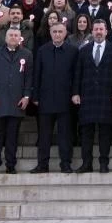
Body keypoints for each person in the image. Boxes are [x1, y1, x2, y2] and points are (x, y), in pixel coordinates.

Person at [73, 19, 112, 173]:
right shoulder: (84, 50)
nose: (99, 32)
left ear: (106, 31)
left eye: (101, 29)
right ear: (92, 31)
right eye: (96, 29)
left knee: (105, 132)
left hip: (106, 97)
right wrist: (76, 93)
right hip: (87, 96)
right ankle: (86, 163)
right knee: (86, 133)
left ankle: (103, 163)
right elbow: (78, 74)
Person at [31, 22, 78, 174]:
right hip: (45, 99)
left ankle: (65, 164)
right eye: (54, 31)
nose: (57, 34)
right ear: (50, 33)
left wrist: (75, 93)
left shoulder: (73, 51)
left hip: (65, 100)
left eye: (60, 32)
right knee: (44, 136)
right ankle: (42, 164)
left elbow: (76, 75)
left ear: (65, 34)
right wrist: (35, 96)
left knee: (65, 135)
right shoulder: (42, 50)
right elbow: (37, 74)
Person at [0, 26, 33, 174]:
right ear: (5, 38)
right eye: (10, 35)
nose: (13, 37)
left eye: (16, 35)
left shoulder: (27, 54)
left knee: (12, 137)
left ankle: (10, 165)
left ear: (20, 38)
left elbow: (28, 78)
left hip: (16, 101)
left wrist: (26, 96)